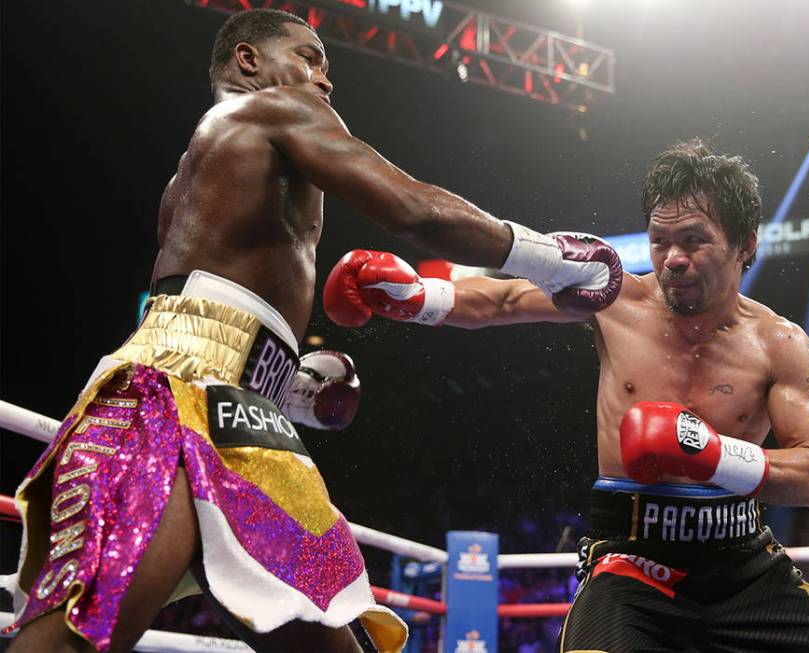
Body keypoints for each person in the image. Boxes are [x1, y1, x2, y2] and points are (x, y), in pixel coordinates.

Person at [3, 9, 622, 653]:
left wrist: (288, 384)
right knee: (78, 638)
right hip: (178, 399)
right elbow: (413, 211)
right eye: (311, 56)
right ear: (249, 61)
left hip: (244, 413)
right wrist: (551, 259)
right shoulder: (274, 109)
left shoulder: (205, 164)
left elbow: (206, 306)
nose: (325, 80)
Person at [325, 139, 809, 652]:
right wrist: (417, 296)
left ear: (745, 244)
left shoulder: (781, 344)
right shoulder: (616, 299)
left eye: (694, 239)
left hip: (743, 565)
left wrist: (714, 456)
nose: (672, 257)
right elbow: (505, 301)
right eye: (660, 240)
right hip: (631, 563)